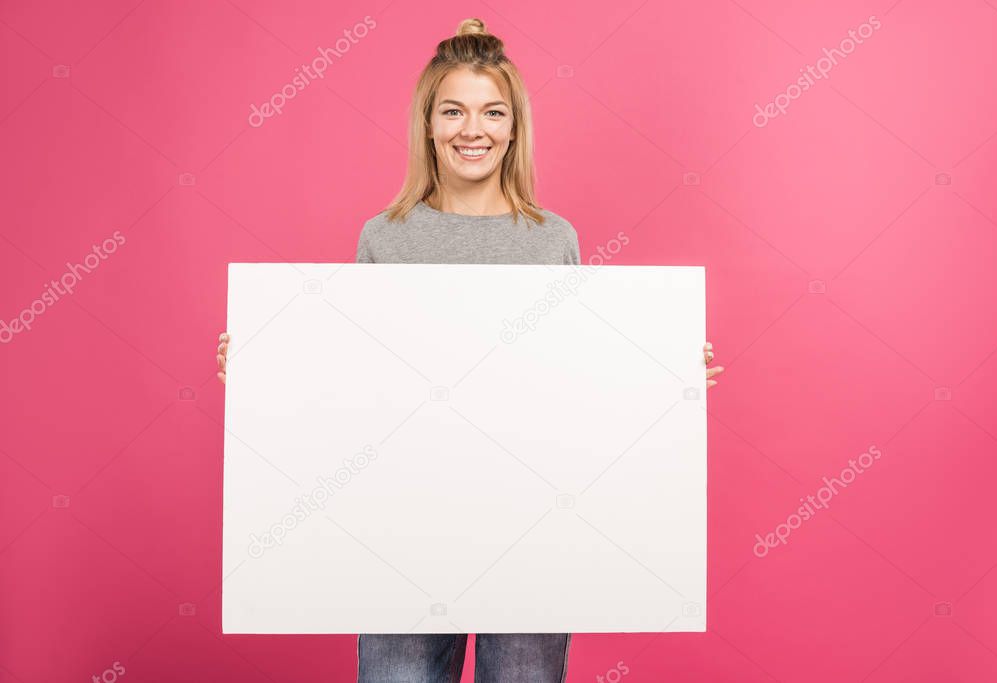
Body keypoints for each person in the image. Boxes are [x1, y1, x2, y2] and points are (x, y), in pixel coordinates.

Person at [216, 17, 724, 682]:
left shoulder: (552, 240)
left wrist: (662, 379)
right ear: (427, 124)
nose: (471, 129)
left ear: (514, 128)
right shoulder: (385, 237)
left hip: (535, 528)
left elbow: (576, 385)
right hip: (401, 527)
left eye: (491, 112)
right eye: (452, 110)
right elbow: (354, 383)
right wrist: (269, 369)